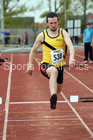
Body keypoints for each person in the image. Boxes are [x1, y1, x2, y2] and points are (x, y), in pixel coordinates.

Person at [25, 12, 75, 109]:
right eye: (51, 23)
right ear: (46, 23)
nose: (53, 25)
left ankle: (55, 93)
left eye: (55, 23)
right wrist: (30, 66)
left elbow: (71, 46)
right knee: (53, 71)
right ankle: (53, 97)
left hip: (60, 65)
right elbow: (33, 51)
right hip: (46, 65)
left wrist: (72, 57)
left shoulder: (62, 33)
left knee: (59, 89)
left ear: (58, 22)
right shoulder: (42, 36)